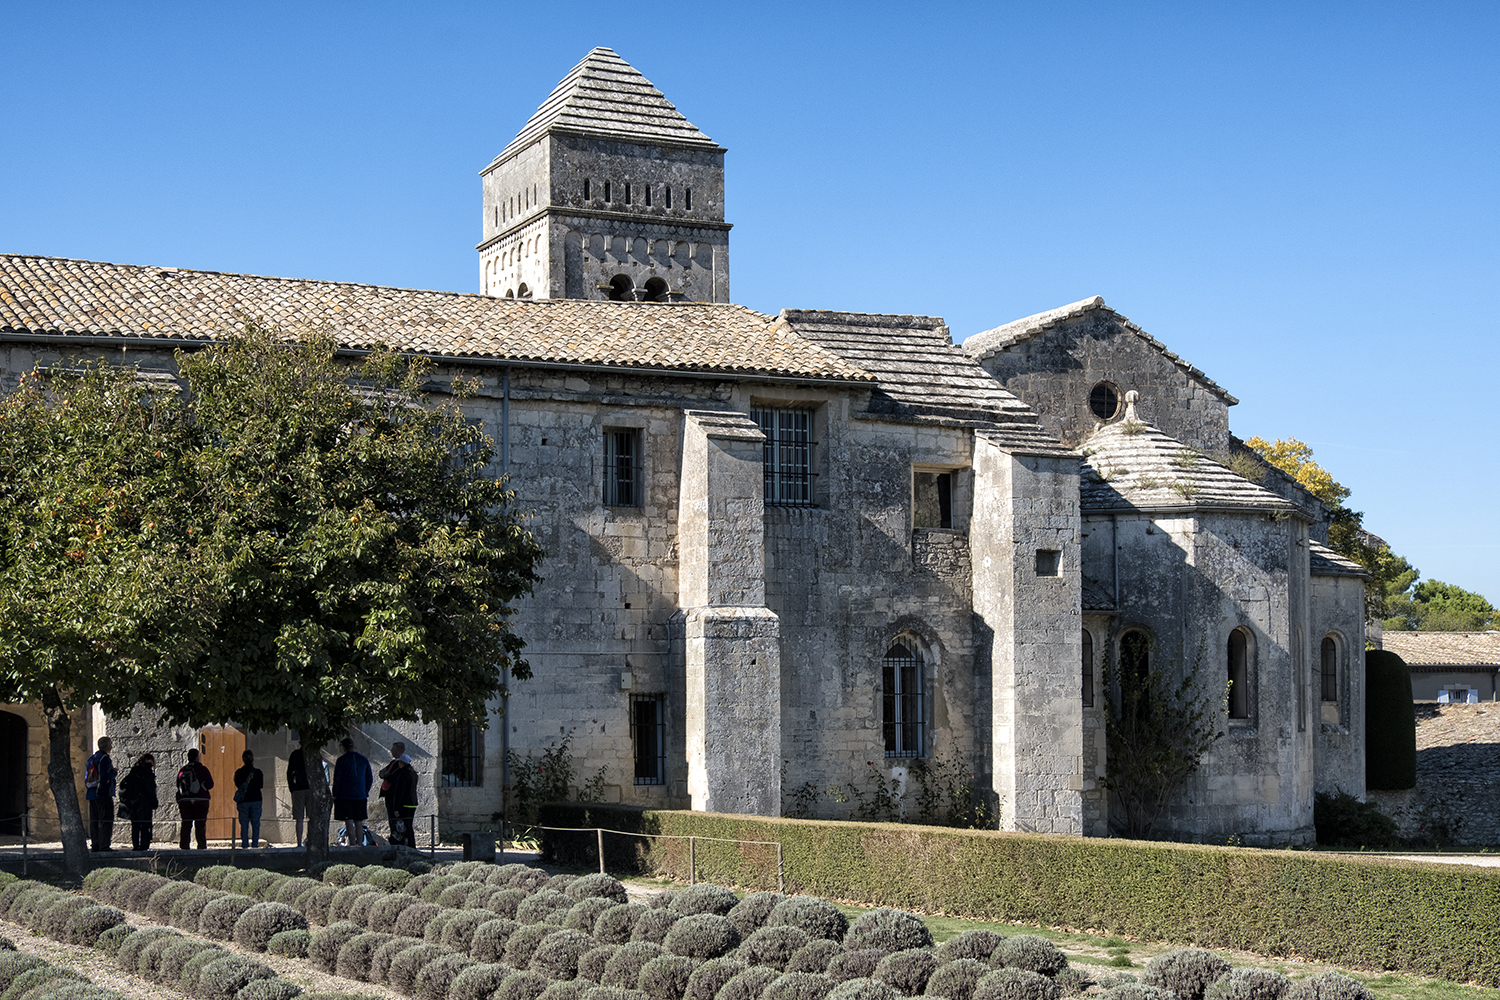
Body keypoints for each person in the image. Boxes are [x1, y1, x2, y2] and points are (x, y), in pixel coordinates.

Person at [331, 737, 372, 847]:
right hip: (360, 795)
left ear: (344, 748)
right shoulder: (363, 760)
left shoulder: (341, 760)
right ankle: (360, 843)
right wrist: (365, 791)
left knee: (348, 821)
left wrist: (335, 794)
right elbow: (369, 778)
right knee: (359, 821)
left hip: (345, 795)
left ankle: (352, 844)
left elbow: (337, 779)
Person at [378, 742, 418, 848]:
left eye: (393, 749)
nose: (391, 750)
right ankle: (408, 844)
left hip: (401, 802)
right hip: (410, 802)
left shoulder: (402, 773)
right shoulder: (411, 772)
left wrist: (396, 808)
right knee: (406, 825)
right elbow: (382, 772)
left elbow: (398, 790)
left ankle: (401, 844)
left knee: (400, 825)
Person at [118, 754, 158, 852]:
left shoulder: (134, 771)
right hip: (144, 802)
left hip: (134, 803)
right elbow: (150, 788)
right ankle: (144, 846)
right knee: (145, 825)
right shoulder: (147, 772)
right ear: (149, 761)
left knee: (135, 825)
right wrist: (154, 801)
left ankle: (135, 845)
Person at [175, 747, 214, 850]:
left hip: (185, 801)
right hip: (201, 800)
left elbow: (178, 784)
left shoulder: (182, 770)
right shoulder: (203, 769)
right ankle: (201, 847)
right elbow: (210, 784)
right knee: (200, 825)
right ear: (197, 757)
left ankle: (184, 847)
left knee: (186, 824)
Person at [84, 736, 117, 852]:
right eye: (110, 744)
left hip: (92, 793)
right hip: (103, 793)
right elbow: (104, 776)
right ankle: (104, 845)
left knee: (94, 820)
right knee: (106, 820)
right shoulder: (105, 758)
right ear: (107, 745)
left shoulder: (91, 758)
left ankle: (95, 844)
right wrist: (114, 772)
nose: (111, 746)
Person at [233, 749, 265, 849]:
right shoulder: (258, 772)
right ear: (253, 759)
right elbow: (261, 785)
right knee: (255, 824)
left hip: (243, 801)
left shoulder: (239, 772)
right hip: (256, 800)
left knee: (244, 824)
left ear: (243, 759)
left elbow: (237, 784)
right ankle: (255, 845)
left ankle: (245, 845)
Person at [286, 738, 312, 847]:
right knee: (311, 817)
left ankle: (299, 843)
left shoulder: (295, 754)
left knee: (299, 818)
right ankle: (311, 841)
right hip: (311, 789)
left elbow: (289, 772)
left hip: (298, 789)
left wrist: (292, 788)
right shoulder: (312, 754)